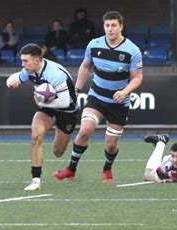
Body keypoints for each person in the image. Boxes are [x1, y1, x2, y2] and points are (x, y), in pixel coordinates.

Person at [53, 11, 143, 183]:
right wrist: (77, 89)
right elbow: (86, 66)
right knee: (85, 130)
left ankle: (107, 169)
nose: (110, 29)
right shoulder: (94, 44)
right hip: (97, 98)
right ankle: (71, 170)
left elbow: (137, 78)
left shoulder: (132, 50)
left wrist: (124, 92)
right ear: (104, 27)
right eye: (107, 25)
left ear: (121, 27)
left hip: (119, 103)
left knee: (110, 144)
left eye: (114, 25)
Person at [6, 43, 80, 191]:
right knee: (35, 136)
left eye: (25, 61)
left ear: (37, 61)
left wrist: (40, 99)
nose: (22, 64)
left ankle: (59, 132)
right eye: (22, 60)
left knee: (58, 152)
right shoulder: (29, 70)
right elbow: (16, 78)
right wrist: (11, 81)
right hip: (47, 108)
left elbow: (65, 102)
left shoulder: (55, 74)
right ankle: (36, 180)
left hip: (67, 111)